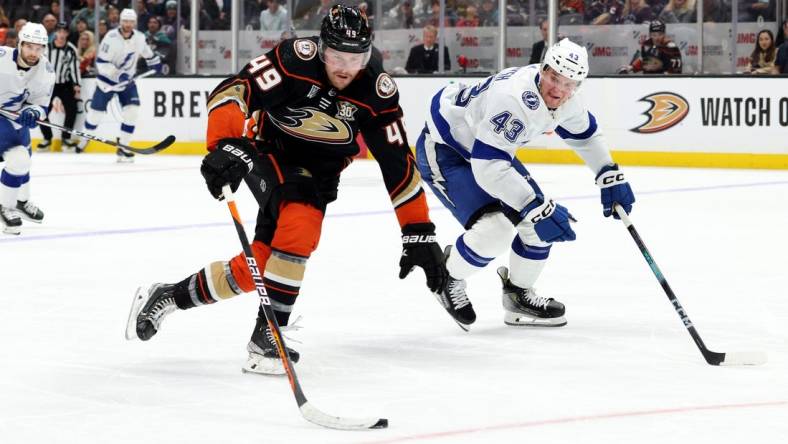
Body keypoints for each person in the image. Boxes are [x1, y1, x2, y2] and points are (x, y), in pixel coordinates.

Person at [124, 6, 446, 375]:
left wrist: (418, 230)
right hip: (269, 151)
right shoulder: (294, 59)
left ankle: (170, 295)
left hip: (322, 172)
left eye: (355, 58)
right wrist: (225, 143)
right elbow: (235, 89)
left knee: (263, 265)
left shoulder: (377, 91)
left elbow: (398, 163)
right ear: (322, 48)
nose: (344, 67)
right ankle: (269, 335)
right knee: (301, 222)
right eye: (337, 56)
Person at [414, 38, 635, 329]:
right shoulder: (514, 97)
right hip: (446, 150)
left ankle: (518, 296)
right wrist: (537, 206)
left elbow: (585, 135)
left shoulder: (569, 99)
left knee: (539, 224)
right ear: (543, 69)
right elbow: (487, 166)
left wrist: (608, 173)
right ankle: (446, 277)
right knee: (497, 229)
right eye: (554, 78)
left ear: (578, 85)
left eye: (569, 83)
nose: (559, 89)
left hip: (490, 148)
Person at [83, 8, 162, 163]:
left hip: (127, 84)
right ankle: (84, 138)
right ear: (120, 22)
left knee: (132, 112)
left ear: (135, 23)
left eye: (131, 21)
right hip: (107, 83)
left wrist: (155, 61)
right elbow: (101, 63)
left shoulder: (139, 37)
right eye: (125, 21)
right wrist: (119, 74)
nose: (128, 24)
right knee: (94, 117)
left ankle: (123, 148)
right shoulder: (110, 37)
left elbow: (147, 53)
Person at [0, 22, 55, 234]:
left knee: (24, 162)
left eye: (39, 48)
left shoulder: (46, 70)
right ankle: (7, 207)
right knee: (19, 159)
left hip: (14, 118)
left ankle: (21, 202)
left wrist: (33, 112)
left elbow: (42, 103)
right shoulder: (2, 56)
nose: (34, 53)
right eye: (30, 47)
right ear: (20, 44)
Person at [38, 22, 81, 153]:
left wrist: (77, 85)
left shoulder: (71, 49)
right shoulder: (46, 48)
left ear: (67, 34)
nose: (62, 34)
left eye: (64, 32)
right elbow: (39, 65)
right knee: (41, 111)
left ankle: (66, 138)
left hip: (64, 84)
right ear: (55, 33)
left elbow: (74, 69)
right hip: (48, 84)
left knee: (72, 109)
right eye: (59, 31)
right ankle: (47, 138)